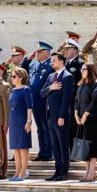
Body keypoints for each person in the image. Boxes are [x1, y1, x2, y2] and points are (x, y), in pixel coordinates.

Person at [41, 50, 75, 182]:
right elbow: (42, 93)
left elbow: (67, 99)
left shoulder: (67, 76)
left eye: (54, 60)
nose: (52, 63)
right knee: (55, 145)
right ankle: (57, 171)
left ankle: (64, 172)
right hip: (50, 116)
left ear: (61, 61)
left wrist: (62, 116)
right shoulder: (51, 77)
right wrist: (51, 88)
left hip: (61, 116)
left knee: (62, 144)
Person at [70, 62, 97, 182]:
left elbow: (94, 101)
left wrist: (86, 114)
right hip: (81, 119)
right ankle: (87, 171)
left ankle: (92, 172)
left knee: (92, 145)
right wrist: (76, 113)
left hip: (91, 119)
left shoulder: (96, 84)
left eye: (84, 69)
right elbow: (76, 100)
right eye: (81, 69)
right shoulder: (81, 84)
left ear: (90, 70)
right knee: (85, 145)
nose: (82, 71)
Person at [27, 42, 55, 162]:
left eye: (40, 52)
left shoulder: (50, 65)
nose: (37, 54)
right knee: (39, 128)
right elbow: (24, 70)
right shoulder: (34, 65)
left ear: (47, 52)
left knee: (46, 127)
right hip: (34, 101)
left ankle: (49, 152)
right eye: (37, 51)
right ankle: (42, 151)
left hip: (44, 100)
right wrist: (28, 59)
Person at [6, 67, 34, 181]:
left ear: (21, 77)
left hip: (22, 119)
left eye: (14, 76)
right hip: (13, 120)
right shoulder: (13, 90)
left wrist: (29, 121)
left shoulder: (25, 90)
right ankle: (17, 172)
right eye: (11, 76)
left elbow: (29, 106)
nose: (12, 79)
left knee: (23, 146)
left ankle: (23, 172)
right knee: (16, 147)